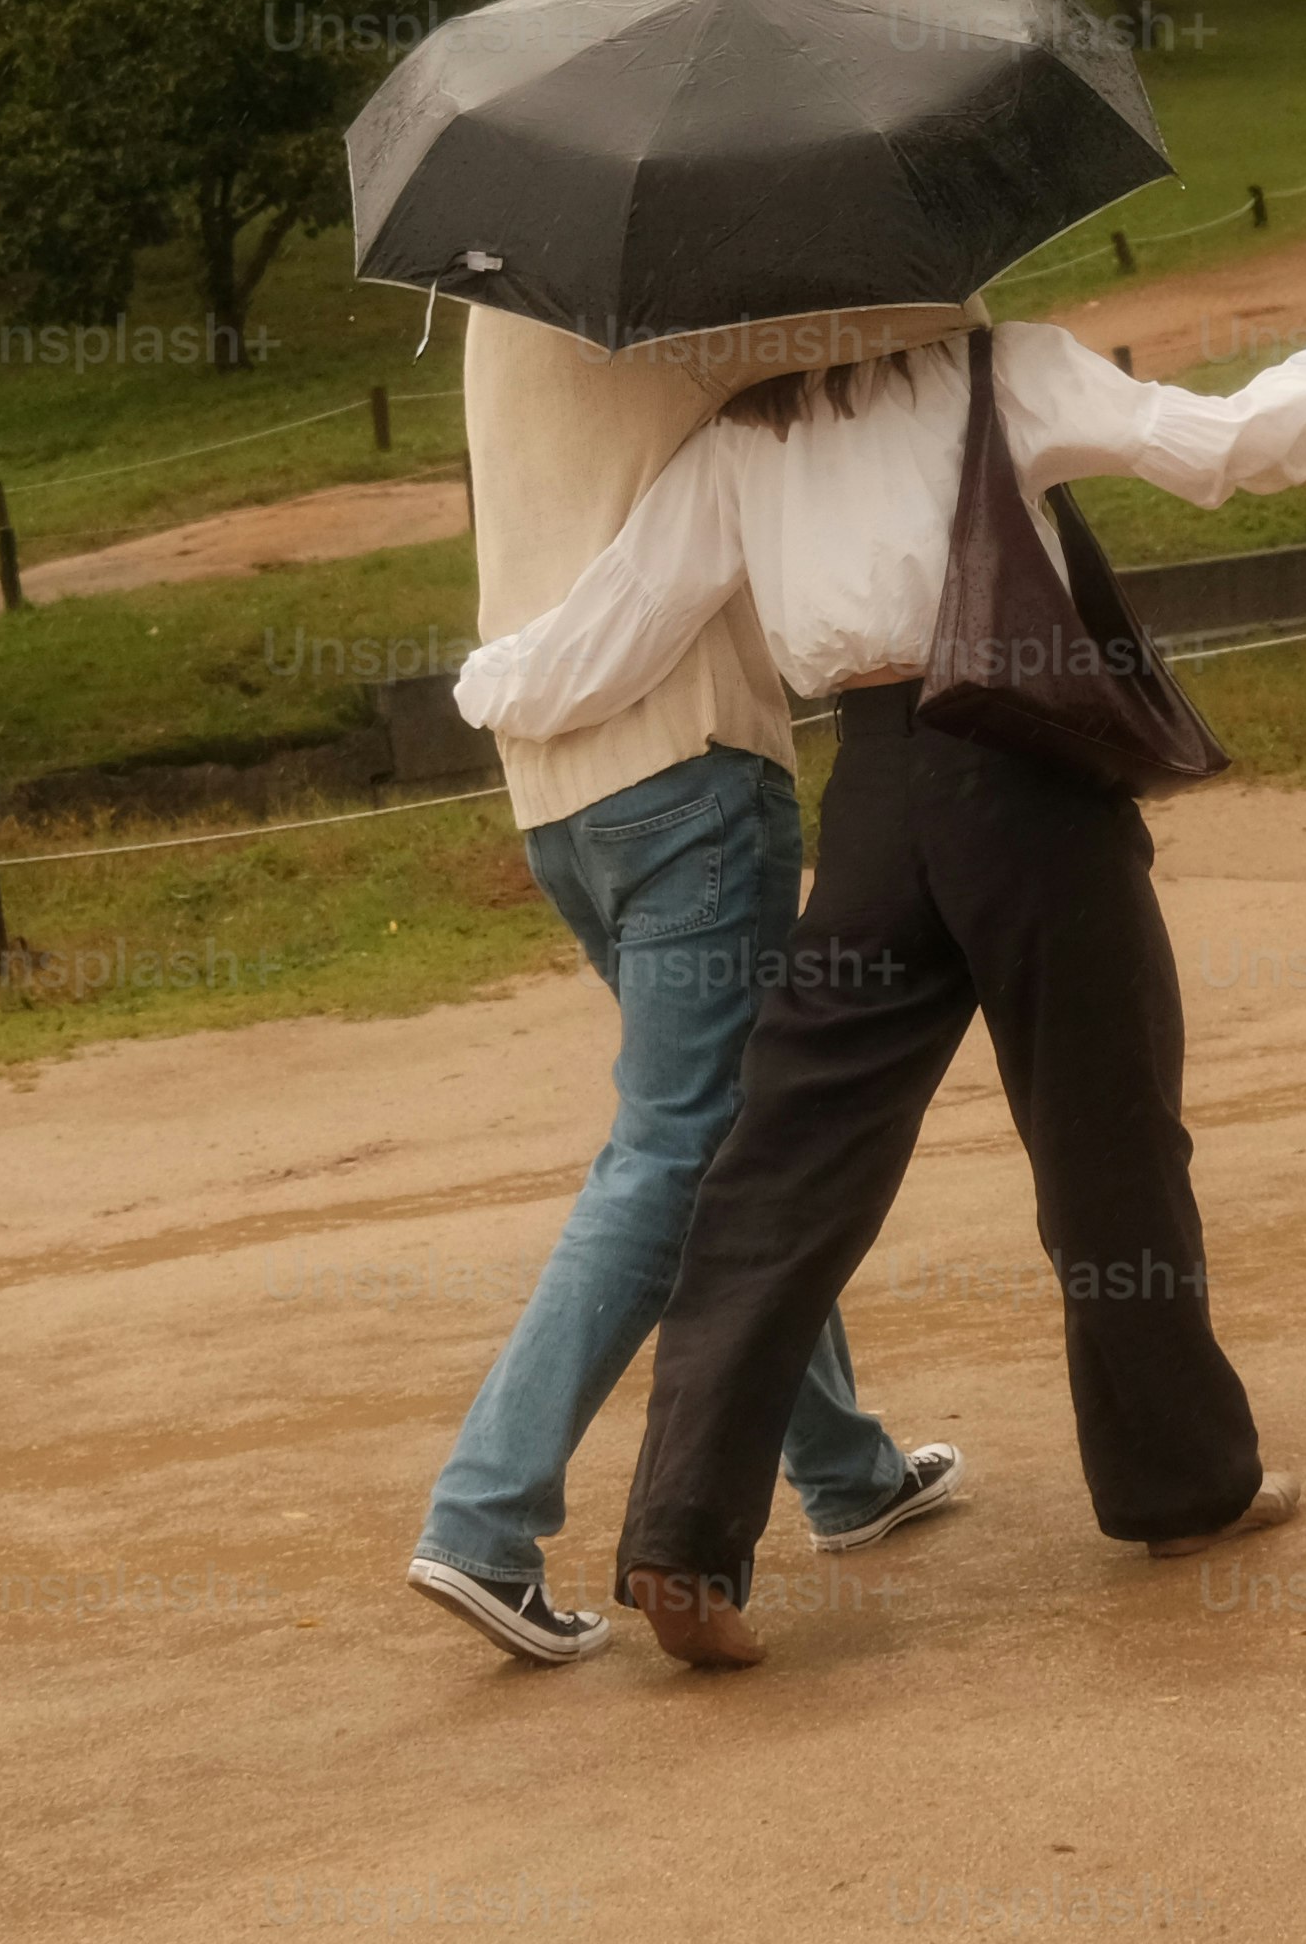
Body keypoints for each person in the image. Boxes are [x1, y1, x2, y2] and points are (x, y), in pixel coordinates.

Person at [452, 316, 1306, 1669]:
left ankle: (681, 1539)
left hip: (878, 804)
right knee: (1106, 1139)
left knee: (781, 1170)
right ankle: (1180, 1488)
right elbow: (1209, 442)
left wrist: (492, 688)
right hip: (1026, 781)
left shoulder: (743, 436)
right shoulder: (1003, 367)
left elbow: (611, 632)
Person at [402, 303, 965, 1665]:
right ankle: (483, 1517)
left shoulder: (511, 284)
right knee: (677, 1149)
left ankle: (844, 1469)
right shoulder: (690, 282)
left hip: (558, 796)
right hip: (694, 763)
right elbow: (878, 346)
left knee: (726, 1137)